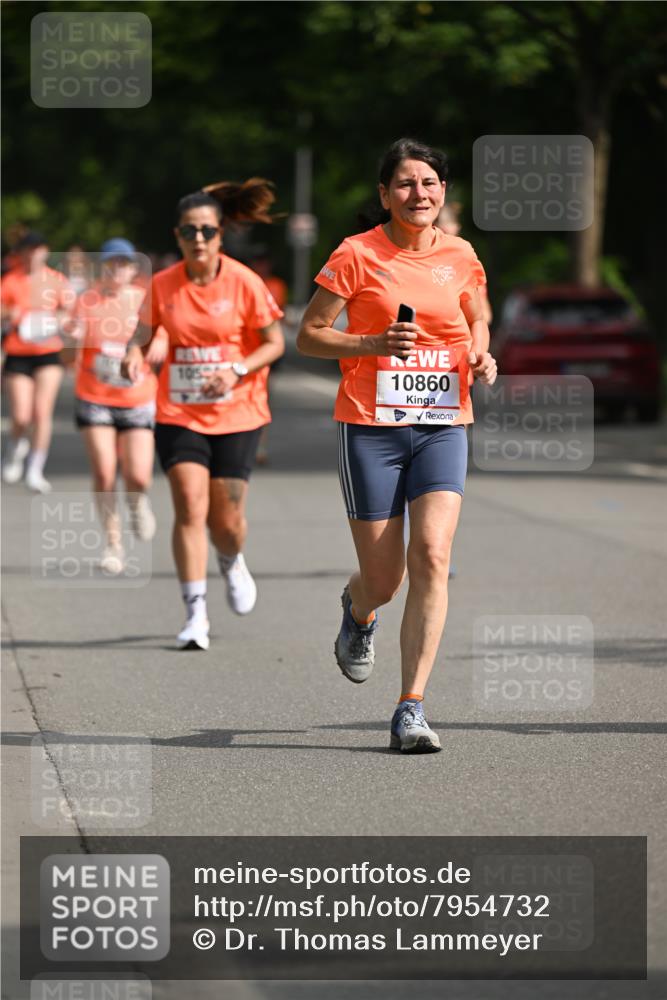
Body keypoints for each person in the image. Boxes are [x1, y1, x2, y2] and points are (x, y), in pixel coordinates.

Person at [297, 138, 497, 754]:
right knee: (384, 580)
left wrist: (482, 351)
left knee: (433, 556)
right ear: (385, 195)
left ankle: (411, 707)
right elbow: (309, 335)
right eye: (406, 184)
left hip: (442, 424)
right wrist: (372, 346)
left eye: (431, 184)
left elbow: (477, 316)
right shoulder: (356, 255)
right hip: (370, 427)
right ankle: (359, 613)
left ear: (444, 193)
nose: (420, 194)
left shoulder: (461, 254)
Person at [121, 179, 285, 650]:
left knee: (226, 522)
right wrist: (136, 354)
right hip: (179, 412)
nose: (199, 239)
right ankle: (195, 614)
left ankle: (231, 560)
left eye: (208, 231)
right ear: (177, 235)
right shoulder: (162, 284)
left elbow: (273, 343)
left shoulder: (244, 282)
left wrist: (236, 369)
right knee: (189, 507)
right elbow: (143, 332)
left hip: (239, 412)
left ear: (220, 235)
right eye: (190, 231)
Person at [69, 238, 166, 574]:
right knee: (104, 471)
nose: (117, 269)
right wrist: (71, 338)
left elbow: (165, 331)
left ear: (132, 268)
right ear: (103, 266)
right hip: (95, 396)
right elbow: (68, 354)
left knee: (138, 474)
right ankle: (113, 543)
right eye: (111, 263)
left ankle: (137, 503)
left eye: (124, 263)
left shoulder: (144, 298)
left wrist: (161, 345)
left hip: (137, 397)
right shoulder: (86, 301)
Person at [1, 231, 75, 492]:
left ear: (45, 251)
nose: (33, 254)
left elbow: (68, 311)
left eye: (38, 249)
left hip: (47, 352)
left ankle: (35, 468)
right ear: (21, 253)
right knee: (21, 415)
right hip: (18, 352)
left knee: (42, 412)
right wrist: (9, 313)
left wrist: (62, 320)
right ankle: (15, 445)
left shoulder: (56, 281)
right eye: (29, 249)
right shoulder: (10, 281)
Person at [436, 203, 493, 325]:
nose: (443, 229)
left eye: (448, 223)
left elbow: (485, 315)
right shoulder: (418, 262)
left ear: (456, 227)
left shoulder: (465, 262)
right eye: (440, 224)